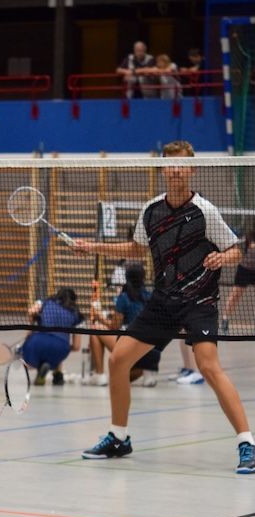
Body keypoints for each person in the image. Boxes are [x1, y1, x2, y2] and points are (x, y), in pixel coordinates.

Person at [75, 139, 255, 474]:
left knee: (208, 366)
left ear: (192, 169)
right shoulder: (151, 211)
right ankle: (119, 437)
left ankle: (247, 443)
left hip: (199, 301)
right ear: (162, 169)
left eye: (181, 165)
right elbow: (136, 248)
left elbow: (235, 249)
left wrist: (222, 258)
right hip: (163, 301)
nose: (175, 170)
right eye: (170, 164)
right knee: (118, 359)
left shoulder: (204, 210)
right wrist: (93, 247)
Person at [89, 262, 160, 387]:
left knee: (95, 330)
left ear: (126, 278)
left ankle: (99, 375)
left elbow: (114, 326)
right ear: (143, 277)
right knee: (119, 377)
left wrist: (99, 316)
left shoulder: (124, 297)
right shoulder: (150, 296)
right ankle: (147, 372)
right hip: (149, 349)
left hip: (130, 345)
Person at [22, 287, 82, 385]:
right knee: (56, 349)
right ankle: (57, 375)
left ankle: (38, 367)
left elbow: (31, 311)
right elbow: (76, 346)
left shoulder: (45, 302)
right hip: (61, 346)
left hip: (38, 340)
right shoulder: (76, 314)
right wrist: (65, 345)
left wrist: (30, 330)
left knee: (31, 354)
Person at [221, 230, 255, 332]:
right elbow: (251, 247)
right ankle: (225, 319)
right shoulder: (250, 235)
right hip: (245, 270)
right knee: (235, 296)